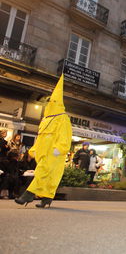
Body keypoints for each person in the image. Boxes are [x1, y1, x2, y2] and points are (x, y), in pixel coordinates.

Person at [15, 74, 72, 208]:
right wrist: (34, 150)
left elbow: (65, 135)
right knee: (49, 176)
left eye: (54, 102)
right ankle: (47, 198)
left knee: (42, 172)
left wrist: (60, 148)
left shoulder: (63, 118)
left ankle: (28, 195)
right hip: (42, 152)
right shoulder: (45, 119)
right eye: (50, 102)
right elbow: (40, 136)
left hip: (54, 152)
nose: (50, 104)